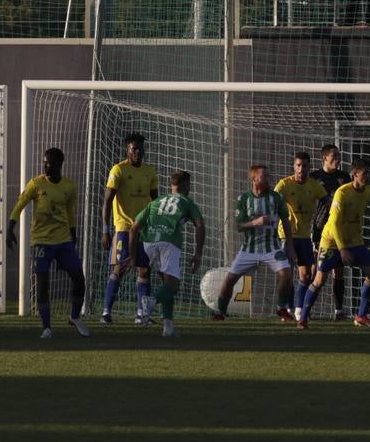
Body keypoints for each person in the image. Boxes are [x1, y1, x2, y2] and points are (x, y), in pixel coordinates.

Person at [7, 147, 90, 339]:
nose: (45, 166)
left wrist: (73, 233)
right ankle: (46, 327)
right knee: (43, 283)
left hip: (63, 241)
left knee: (79, 279)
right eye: (44, 162)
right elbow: (20, 204)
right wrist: (10, 227)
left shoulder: (69, 186)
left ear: (60, 165)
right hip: (41, 242)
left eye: (49, 163)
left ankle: (75, 316)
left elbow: (70, 212)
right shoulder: (36, 184)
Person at [299, 158, 370, 329]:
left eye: (369, 173)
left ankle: (361, 316)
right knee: (320, 280)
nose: (368, 177)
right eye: (364, 173)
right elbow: (334, 223)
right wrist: (342, 249)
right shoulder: (342, 193)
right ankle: (303, 319)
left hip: (354, 241)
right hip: (332, 242)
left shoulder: (369, 192)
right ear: (354, 174)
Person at [211, 165, 295, 321]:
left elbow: (286, 221)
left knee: (287, 274)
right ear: (254, 179)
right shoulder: (243, 199)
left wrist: (289, 246)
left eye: (268, 176)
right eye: (264, 176)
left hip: (272, 246)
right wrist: (255, 222)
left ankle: (281, 308)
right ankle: (220, 312)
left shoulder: (276, 198)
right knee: (229, 280)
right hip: (250, 248)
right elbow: (238, 226)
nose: (268, 179)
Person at [129, 171, 206, 338]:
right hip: (169, 243)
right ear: (186, 186)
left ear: (172, 186)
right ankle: (151, 301)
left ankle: (168, 327)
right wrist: (198, 253)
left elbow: (133, 229)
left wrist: (133, 256)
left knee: (167, 283)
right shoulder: (187, 202)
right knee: (172, 285)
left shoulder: (155, 202)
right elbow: (200, 225)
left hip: (148, 243)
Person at [100, 132, 159, 326]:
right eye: (134, 148)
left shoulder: (150, 171)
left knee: (144, 270)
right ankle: (106, 313)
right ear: (127, 150)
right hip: (124, 227)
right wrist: (106, 229)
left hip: (144, 228)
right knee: (120, 268)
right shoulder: (118, 170)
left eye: (141, 148)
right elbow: (108, 201)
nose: (138, 152)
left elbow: (155, 201)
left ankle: (141, 315)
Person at [275, 151, 327, 323]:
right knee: (287, 275)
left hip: (305, 236)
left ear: (309, 167)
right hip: (286, 236)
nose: (301, 169)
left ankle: (298, 309)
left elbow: (329, 203)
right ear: (293, 166)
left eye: (304, 166)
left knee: (305, 276)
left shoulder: (315, 186)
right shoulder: (284, 184)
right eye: (298, 165)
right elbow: (272, 200)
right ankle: (287, 309)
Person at [310, 145, 350, 320]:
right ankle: (305, 309)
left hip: (338, 231)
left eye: (338, 156)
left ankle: (338, 311)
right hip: (319, 231)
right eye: (334, 156)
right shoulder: (314, 177)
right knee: (315, 272)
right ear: (324, 158)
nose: (338, 159)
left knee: (339, 271)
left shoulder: (344, 177)